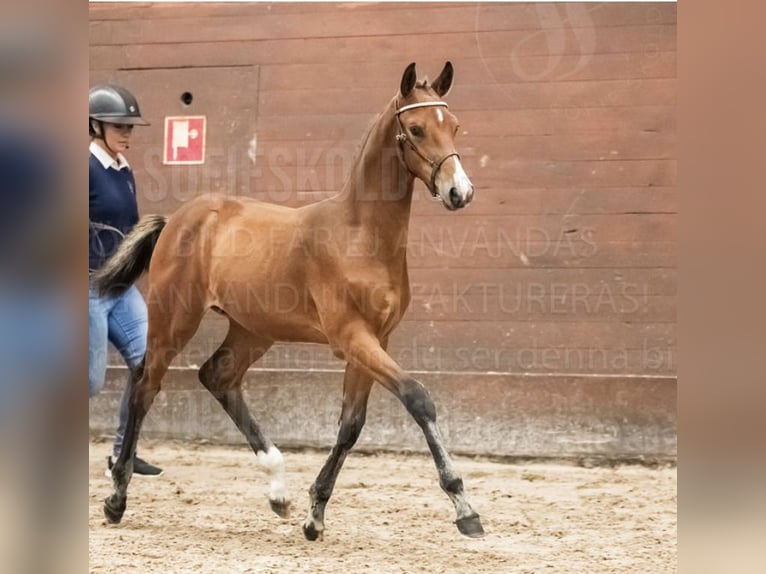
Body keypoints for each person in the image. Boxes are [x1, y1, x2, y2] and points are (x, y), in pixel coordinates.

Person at [88, 85, 162, 477]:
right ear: (94, 124)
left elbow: (129, 228)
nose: (127, 133)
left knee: (146, 365)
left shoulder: (123, 169)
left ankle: (123, 456)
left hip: (121, 288)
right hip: (85, 288)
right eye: (119, 125)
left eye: (130, 127)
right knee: (87, 382)